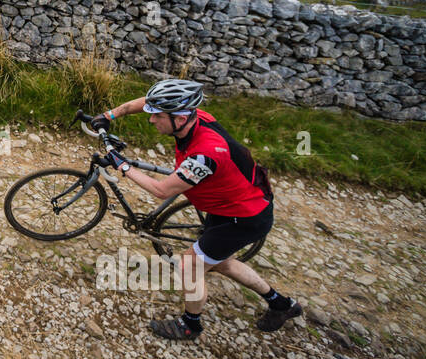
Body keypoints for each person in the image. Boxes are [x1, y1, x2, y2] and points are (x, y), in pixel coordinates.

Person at [90, 78, 302, 341]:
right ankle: (282, 304)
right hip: (231, 205)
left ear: (179, 119)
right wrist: (111, 115)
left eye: (157, 117)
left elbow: (162, 190)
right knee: (221, 263)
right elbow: (147, 104)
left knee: (190, 265)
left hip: (244, 217)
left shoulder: (205, 155)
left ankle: (190, 325)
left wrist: (122, 166)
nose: (151, 120)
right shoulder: (192, 115)